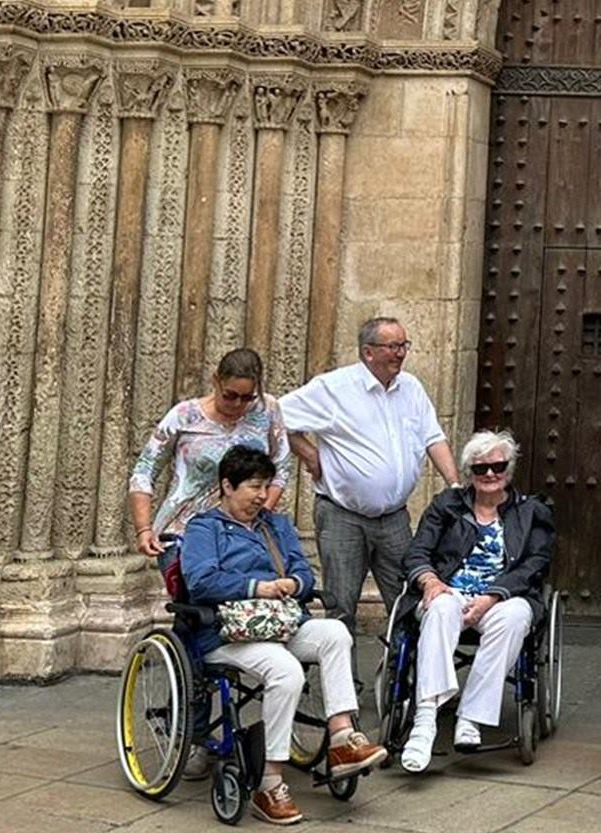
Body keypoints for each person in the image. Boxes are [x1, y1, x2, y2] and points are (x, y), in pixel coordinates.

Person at [177, 445, 386, 823]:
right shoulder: (203, 528)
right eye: (253, 487)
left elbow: (305, 574)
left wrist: (293, 583)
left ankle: (341, 738)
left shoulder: (276, 526)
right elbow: (201, 581)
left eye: (265, 486)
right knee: (285, 669)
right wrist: (258, 587)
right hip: (228, 633)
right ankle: (269, 782)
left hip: (279, 622)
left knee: (335, 633)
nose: (261, 495)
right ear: (227, 485)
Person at [278, 316, 460, 652]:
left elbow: (434, 437)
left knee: (409, 600)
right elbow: (276, 416)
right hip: (342, 515)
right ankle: (343, 693)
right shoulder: (333, 388)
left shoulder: (412, 388)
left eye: (404, 345)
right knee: (341, 605)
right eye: (392, 346)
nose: (401, 354)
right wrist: (309, 454)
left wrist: (454, 484)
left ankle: (406, 687)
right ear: (368, 352)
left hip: (394, 518)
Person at [396, 429, 555, 770]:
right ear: (469, 472)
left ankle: (471, 716)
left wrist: (493, 596)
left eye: (497, 466)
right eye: (480, 468)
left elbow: (535, 563)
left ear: (509, 469)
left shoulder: (530, 512)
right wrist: (430, 580)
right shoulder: (446, 506)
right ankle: (425, 720)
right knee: (439, 607)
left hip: (502, 598)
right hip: (451, 591)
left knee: (513, 617)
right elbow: (417, 552)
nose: (490, 474)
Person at [127, 347, 290, 558]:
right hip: (185, 529)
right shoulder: (184, 415)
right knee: (201, 586)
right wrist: (143, 528)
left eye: (247, 397)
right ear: (216, 381)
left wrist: (261, 512)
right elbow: (145, 469)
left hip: (244, 532)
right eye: (230, 395)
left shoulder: (267, 409)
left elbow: (281, 467)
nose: (238, 404)